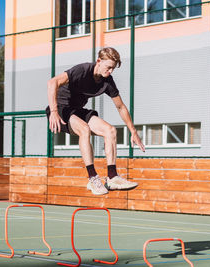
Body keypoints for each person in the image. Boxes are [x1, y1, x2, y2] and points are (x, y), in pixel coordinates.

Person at [46, 47, 145, 195]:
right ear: (99, 61)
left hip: (76, 111)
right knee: (84, 129)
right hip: (60, 110)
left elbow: (120, 106)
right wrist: (54, 111)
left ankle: (112, 177)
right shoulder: (82, 70)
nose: (110, 72)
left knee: (110, 130)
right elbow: (52, 82)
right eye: (108, 67)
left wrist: (133, 131)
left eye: (113, 69)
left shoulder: (107, 81)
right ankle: (93, 179)